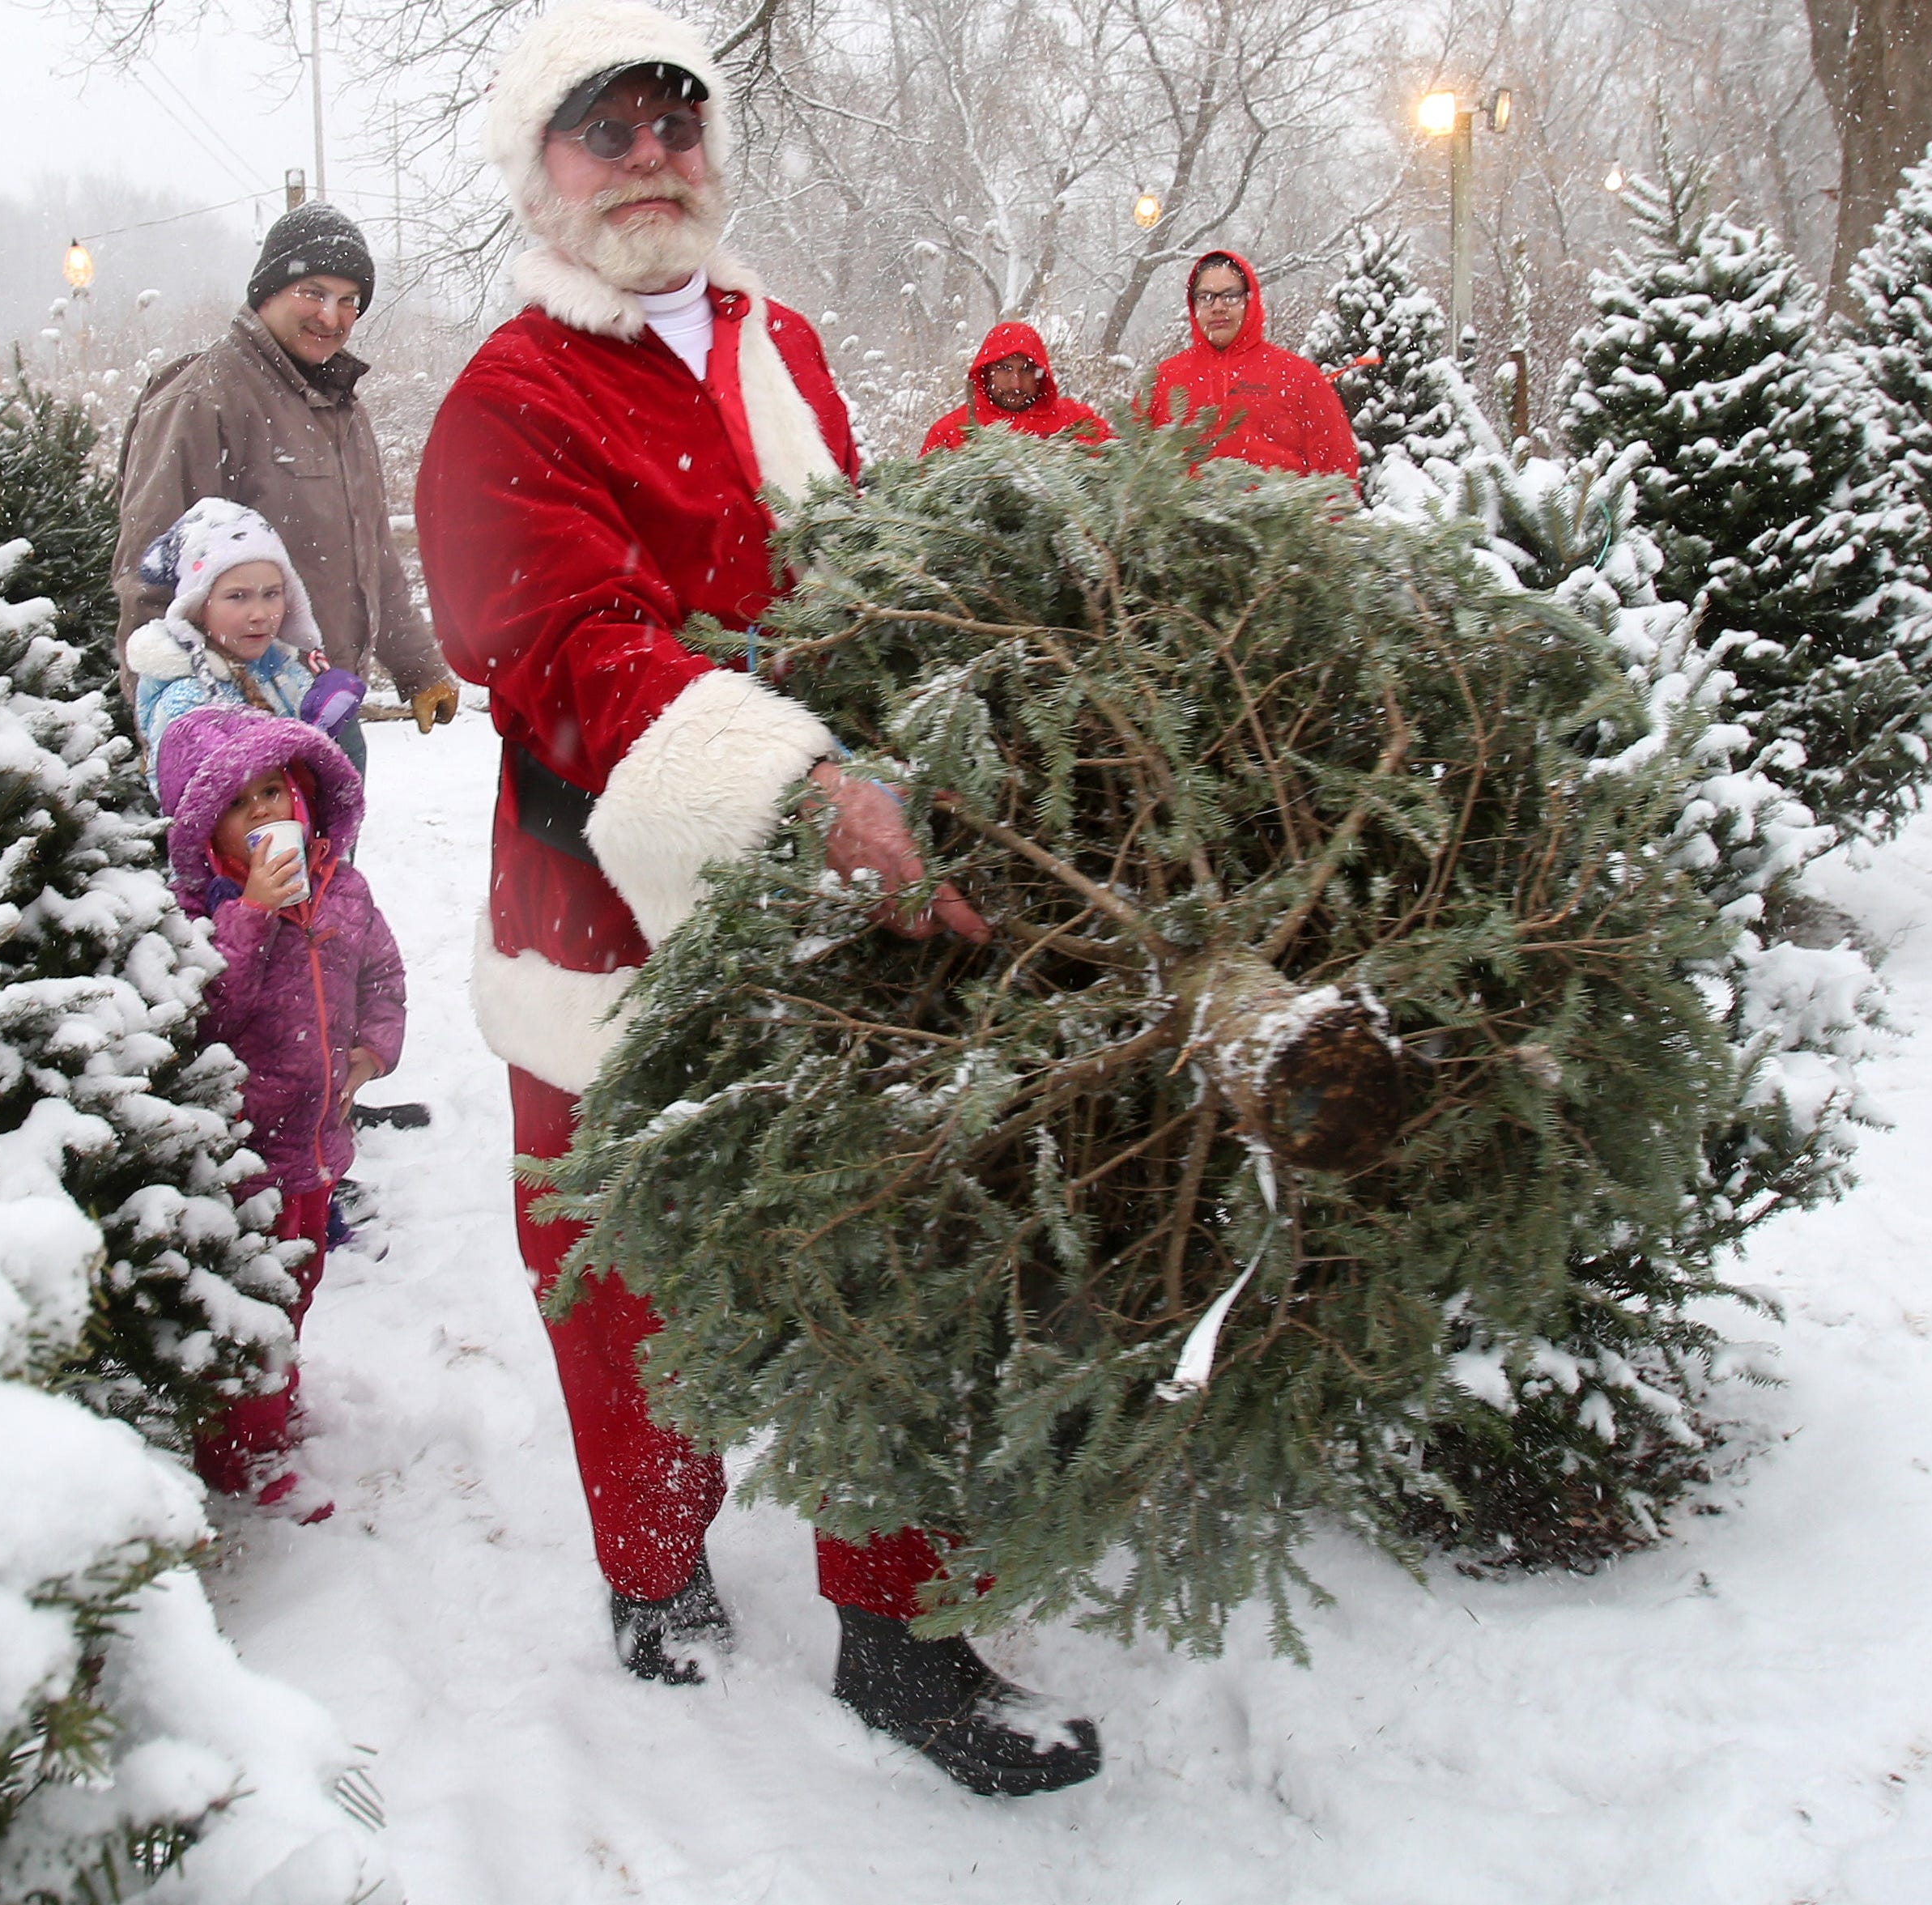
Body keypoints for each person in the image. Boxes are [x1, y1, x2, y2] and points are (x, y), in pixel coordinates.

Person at [415, 0, 1099, 1798]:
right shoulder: (509, 397)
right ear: (539, 170)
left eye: (675, 120)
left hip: (838, 903)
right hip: (607, 917)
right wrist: (796, 785)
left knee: (893, 1237)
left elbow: (855, 571)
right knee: (619, 1273)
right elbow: (558, 651)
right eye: (603, 129)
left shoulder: (779, 339)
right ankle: (656, 1568)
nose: (651, 158)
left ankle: (907, 1631)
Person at [153, 704, 407, 1524]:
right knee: (253, 1304)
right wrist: (253, 913)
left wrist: (372, 1049)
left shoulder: (347, 890)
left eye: (273, 789)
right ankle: (243, 1454)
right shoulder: (199, 921)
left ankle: (273, 1405)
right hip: (246, 1160)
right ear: (205, 832)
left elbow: (383, 976)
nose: (265, 810)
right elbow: (211, 1013)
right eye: (239, 802)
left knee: (297, 1290)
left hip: (318, 1145)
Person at [114, 202, 465, 774]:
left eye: (349, 300)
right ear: (267, 291)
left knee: (333, 867)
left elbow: (373, 557)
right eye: (314, 291)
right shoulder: (206, 400)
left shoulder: (341, 408)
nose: (332, 316)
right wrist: (167, 728)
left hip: (330, 707)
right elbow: (148, 575)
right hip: (237, 719)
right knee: (260, 869)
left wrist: (417, 666)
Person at [129, 496, 369, 776]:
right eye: (237, 596)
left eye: (271, 594)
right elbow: (227, 805)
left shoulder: (290, 675)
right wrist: (308, 749)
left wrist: (338, 735)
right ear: (196, 607)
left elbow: (334, 800)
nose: (259, 614)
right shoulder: (188, 702)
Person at [1146, 249, 1359, 481]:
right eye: (1206, 297)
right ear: (1193, 305)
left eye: (1230, 295)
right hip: (1181, 516)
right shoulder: (1164, 379)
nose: (1218, 307)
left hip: (1279, 515)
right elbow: (1125, 461)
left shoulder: (1299, 376)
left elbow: (1336, 467)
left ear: (1250, 299)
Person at [919, 320, 1111, 453]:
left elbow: (1127, 472)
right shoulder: (951, 433)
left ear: (1040, 374)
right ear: (985, 372)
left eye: (1026, 370)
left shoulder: (1077, 422)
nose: (1016, 383)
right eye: (1005, 369)